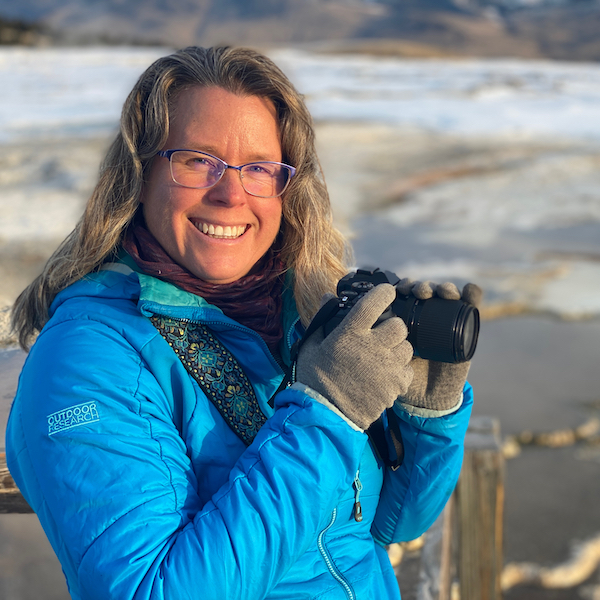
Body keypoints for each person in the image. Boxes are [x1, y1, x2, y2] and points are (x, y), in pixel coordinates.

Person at [6, 46, 478, 600]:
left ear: (287, 187)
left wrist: (429, 415)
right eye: (196, 160)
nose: (231, 194)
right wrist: (327, 411)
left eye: (258, 168)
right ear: (140, 174)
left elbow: (390, 525)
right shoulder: (87, 358)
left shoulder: (302, 315)